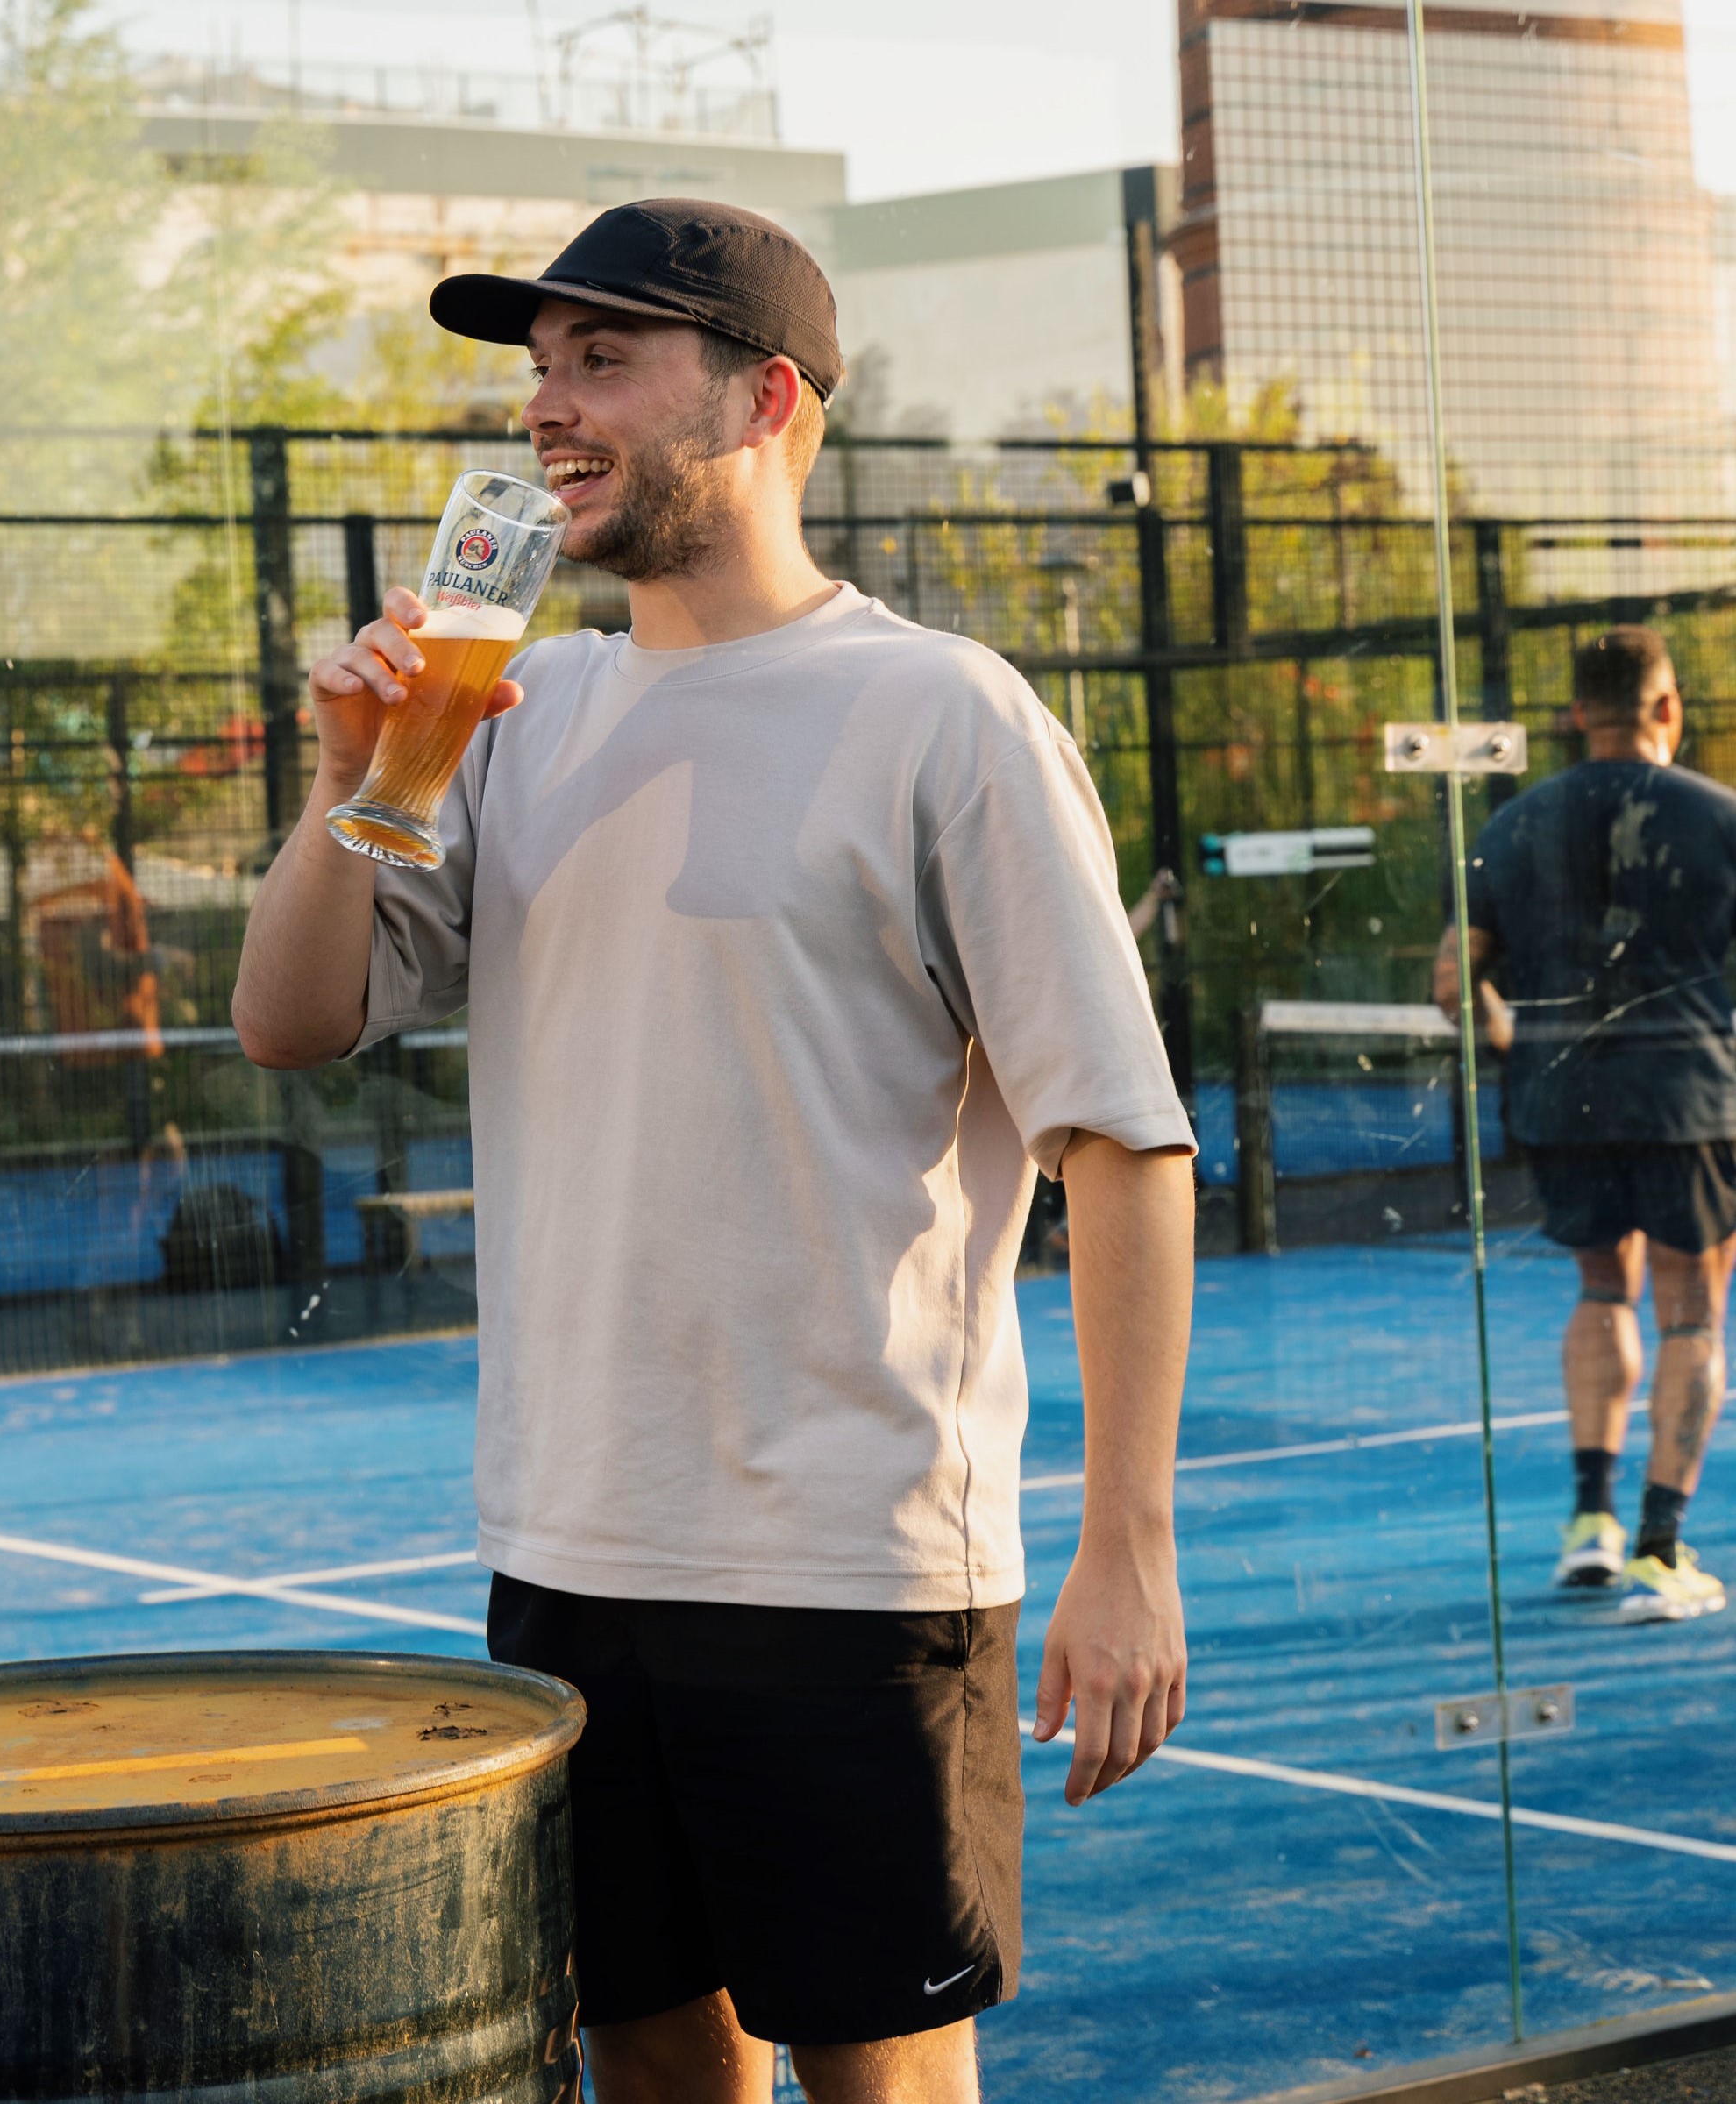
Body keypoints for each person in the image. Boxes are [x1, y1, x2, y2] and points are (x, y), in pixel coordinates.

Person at [234, 198, 1197, 2104]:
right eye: (539, 369)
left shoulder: (944, 714)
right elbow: (291, 1016)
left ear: (764, 399)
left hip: (848, 1563)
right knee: (649, 2061)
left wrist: (1130, 1549)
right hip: (567, 1542)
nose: (547, 410)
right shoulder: (504, 715)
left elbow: (1124, 1144)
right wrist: (350, 784)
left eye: (603, 360)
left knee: (878, 2079)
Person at [1434, 627, 1736, 1624]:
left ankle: (1591, 1529)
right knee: (1692, 1309)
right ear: (1667, 708)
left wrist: (1514, 1050)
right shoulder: (1721, 819)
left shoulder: (1516, 824)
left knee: (1603, 1288)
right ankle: (1660, 1549)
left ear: (1575, 716)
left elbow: (1452, 977)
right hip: (1691, 1098)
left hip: (1565, 1098)